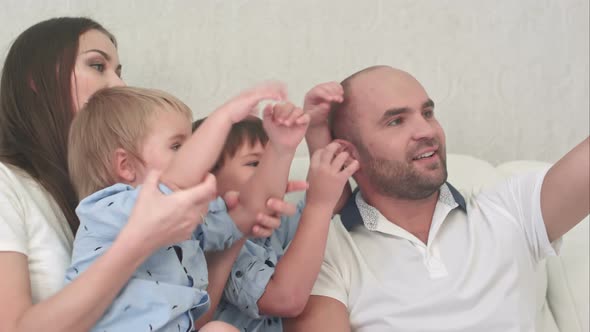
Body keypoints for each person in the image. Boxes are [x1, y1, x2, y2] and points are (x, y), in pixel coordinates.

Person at [0, 17, 296, 332]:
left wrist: (281, 149)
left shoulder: (101, 191)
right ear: (37, 80)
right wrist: (225, 118)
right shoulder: (99, 202)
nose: (119, 84)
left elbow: (188, 315)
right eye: (98, 66)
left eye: (119, 71)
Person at [286, 65, 590, 332]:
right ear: (348, 154)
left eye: (427, 113)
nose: (426, 130)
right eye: (396, 121)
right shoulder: (324, 254)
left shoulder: (508, 210)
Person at [66, 84, 311, 331]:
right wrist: (225, 117)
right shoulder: (108, 210)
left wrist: (280, 149)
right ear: (126, 166)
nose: (202, 158)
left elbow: (250, 211)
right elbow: (177, 179)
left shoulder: (188, 223)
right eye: (178, 146)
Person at [191, 103, 357, 331]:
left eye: (276, 161)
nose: (271, 172)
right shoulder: (213, 237)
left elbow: (334, 208)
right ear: (206, 179)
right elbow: (284, 299)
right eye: (255, 163)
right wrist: (319, 204)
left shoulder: (276, 223)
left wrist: (316, 129)